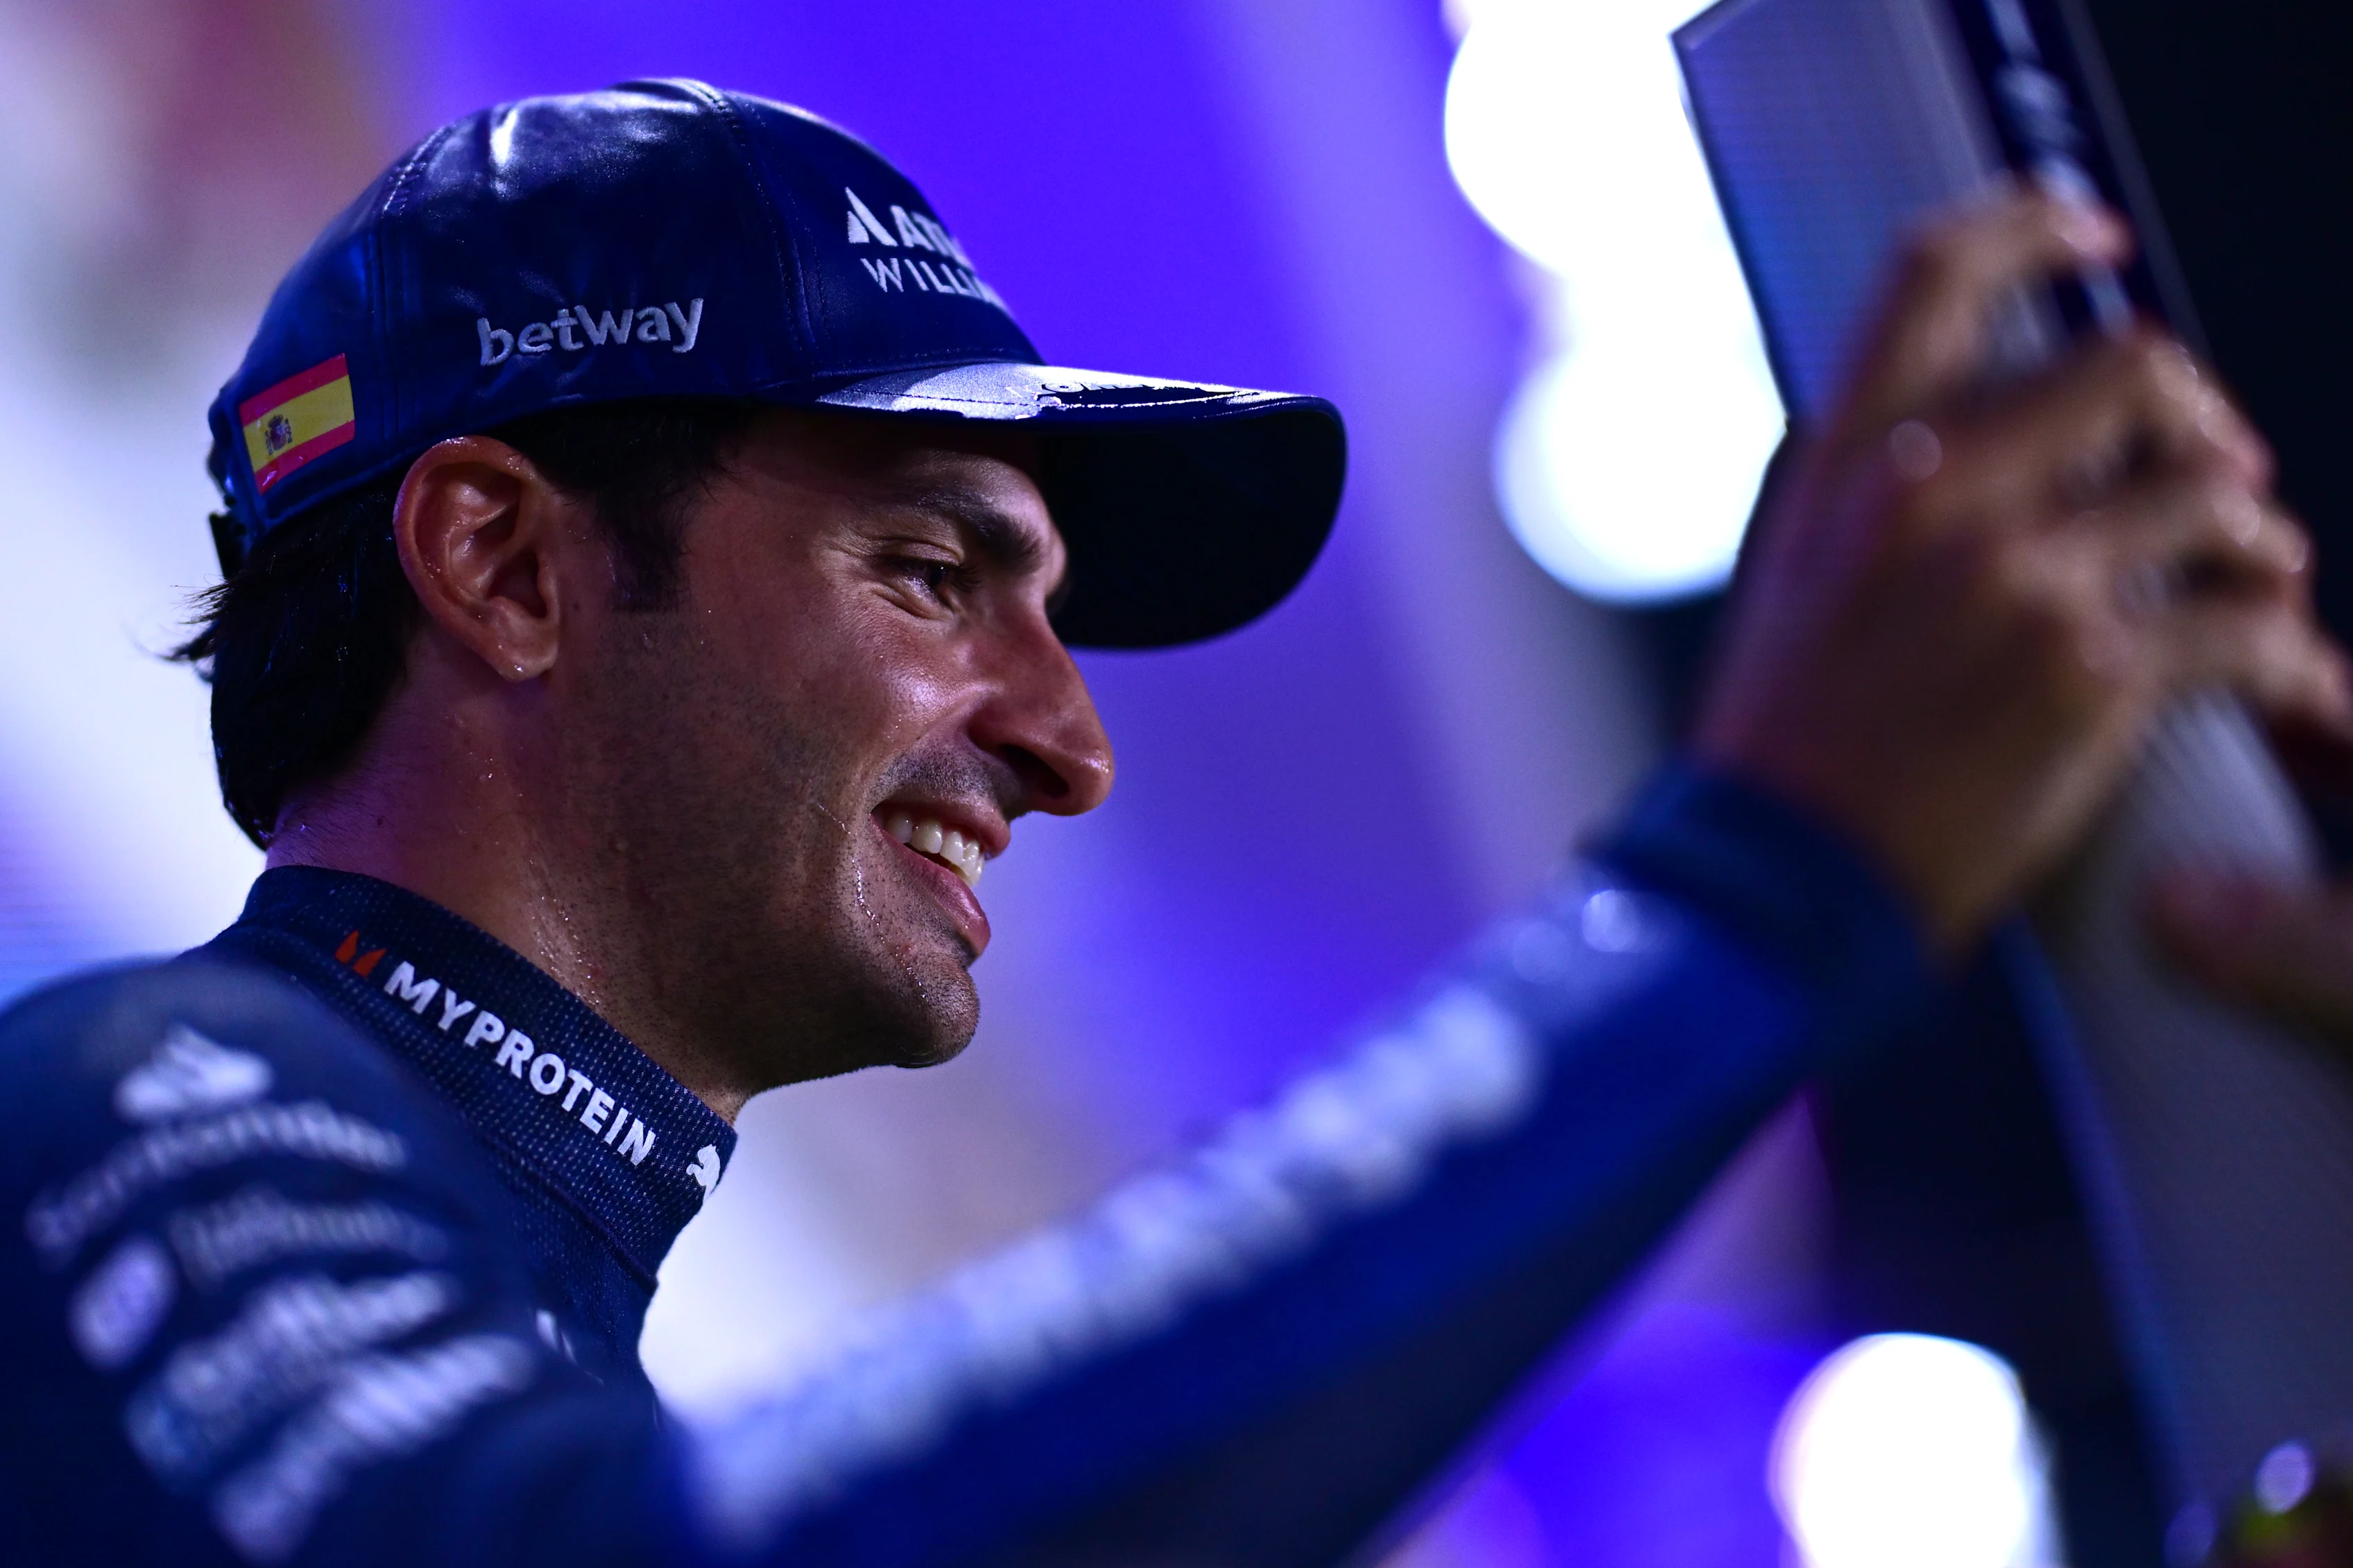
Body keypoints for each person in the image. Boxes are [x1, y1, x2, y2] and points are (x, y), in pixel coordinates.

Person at [0, 79, 2339, 1567]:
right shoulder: (134, 1103)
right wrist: (1753, 893)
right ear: (502, 562)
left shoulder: (505, 1323)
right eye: (933, 571)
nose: (1064, 739)